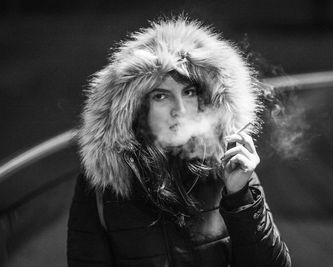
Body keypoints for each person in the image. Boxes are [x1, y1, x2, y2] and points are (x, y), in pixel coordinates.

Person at [67, 17, 291, 267]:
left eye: (189, 92)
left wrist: (240, 198)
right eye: (161, 96)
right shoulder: (104, 182)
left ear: (204, 98)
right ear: (138, 108)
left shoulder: (227, 164)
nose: (180, 110)